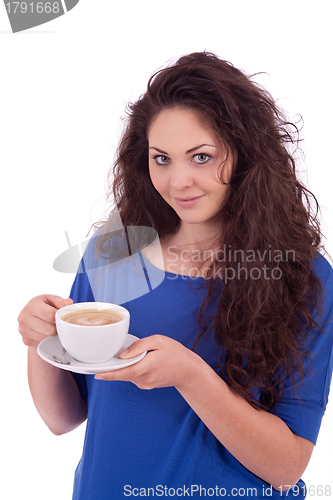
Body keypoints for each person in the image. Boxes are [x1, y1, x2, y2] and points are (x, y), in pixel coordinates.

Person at [18, 52, 333, 499]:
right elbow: (62, 418)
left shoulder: (302, 276)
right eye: (161, 158)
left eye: (201, 157)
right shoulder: (114, 254)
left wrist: (191, 375)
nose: (179, 180)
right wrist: (39, 341)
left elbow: (286, 467)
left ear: (246, 156)